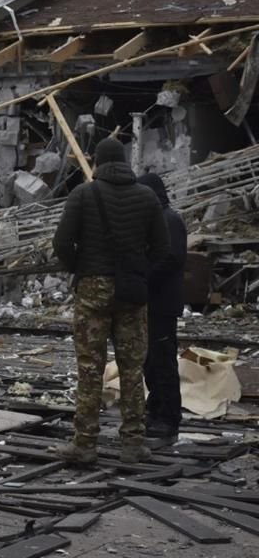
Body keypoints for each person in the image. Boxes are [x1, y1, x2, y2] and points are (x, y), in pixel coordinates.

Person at [52, 137, 168, 464]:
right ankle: (133, 442)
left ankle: (85, 443)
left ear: (98, 162)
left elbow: (61, 242)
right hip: (132, 291)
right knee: (132, 368)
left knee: (90, 368)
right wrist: (140, 272)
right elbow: (162, 248)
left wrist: (81, 269)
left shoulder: (82, 195)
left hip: (93, 288)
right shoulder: (146, 197)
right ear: (125, 161)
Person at [137, 173, 187, 441]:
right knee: (151, 363)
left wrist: (143, 277)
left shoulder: (169, 220)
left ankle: (168, 418)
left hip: (162, 303)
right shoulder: (159, 221)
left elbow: (170, 258)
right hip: (154, 302)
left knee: (163, 362)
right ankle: (155, 411)